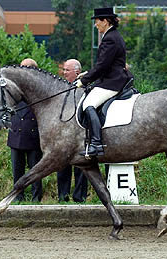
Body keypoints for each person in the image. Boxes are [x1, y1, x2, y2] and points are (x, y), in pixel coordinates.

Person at [75, 7, 131, 157]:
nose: (95, 25)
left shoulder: (110, 38)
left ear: (105, 21)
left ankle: (96, 144)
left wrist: (84, 81)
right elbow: (107, 63)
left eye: (97, 22)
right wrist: (87, 73)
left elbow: (102, 66)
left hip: (113, 81)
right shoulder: (113, 35)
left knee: (88, 104)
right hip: (112, 77)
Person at [7, 58, 43, 203]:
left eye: (25, 67)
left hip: (33, 135)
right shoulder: (14, 86)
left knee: (35, 171)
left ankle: (36, 198)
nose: (21, 70)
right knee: (17, 170)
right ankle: (18, 196)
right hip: (16, 134)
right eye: (21, 67)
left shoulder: (39, 86)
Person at [57, 59, 88, 203]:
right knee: (62, 166)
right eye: (63, 70)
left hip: (80, 134)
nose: (64, 73)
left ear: (77, 72)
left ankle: (79, 197)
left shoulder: (86, 88)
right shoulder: (60, 89)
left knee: (81, 168)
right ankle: (63, 196)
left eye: (67, 70)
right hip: (63, 135)